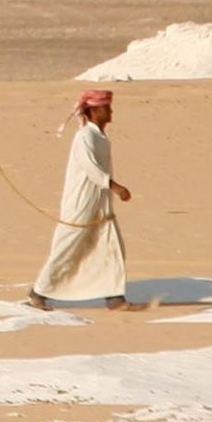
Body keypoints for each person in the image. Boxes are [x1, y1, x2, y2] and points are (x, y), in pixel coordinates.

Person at [27, 87, 139, 309]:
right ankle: (38, 292)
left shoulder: (98, 136)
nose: (111, 113)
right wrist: (116, 187)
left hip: (99, 203)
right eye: (107, 108)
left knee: (110, 245)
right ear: (95, 111)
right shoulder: (84, 137)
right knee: (68, 247)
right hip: (81, 203)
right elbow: (91, 168)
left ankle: (114, 298)